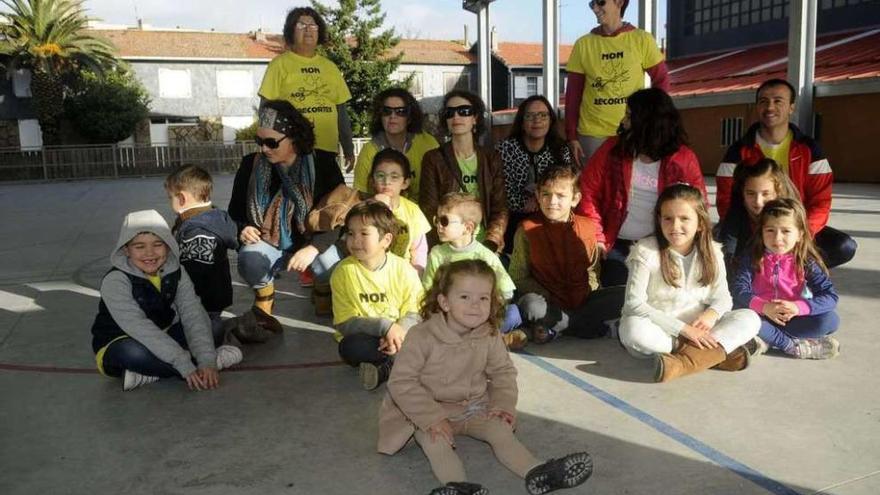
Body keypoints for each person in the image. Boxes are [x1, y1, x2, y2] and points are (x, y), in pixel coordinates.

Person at [377, 259, 594, 495]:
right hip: (425, 410)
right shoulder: (421, 336)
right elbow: (402, 382)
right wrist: (431, 418)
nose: (475, 306)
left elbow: (503, 373)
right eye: (464, 297)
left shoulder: (489, 334)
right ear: (444, 302)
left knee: (500, 431)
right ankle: (458, 487)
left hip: (473, 407)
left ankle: (539, 472)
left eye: (483, 298)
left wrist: (502, 405)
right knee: (435, 441)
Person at [619, 184, 761, 383]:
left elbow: (723, 298)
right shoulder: (645, 251)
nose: (675, 226)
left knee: (750, 318)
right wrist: (684, 331)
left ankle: (681, 364)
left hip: (700, 327)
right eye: (668, 218)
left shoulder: (712, 251)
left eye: (684, 218)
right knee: (634, 332)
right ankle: (715, 355)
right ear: (659, 220)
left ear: (700, 222)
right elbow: (633, 304)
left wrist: (711, 315)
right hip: (661, 329)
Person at [228, 100, 344, 338]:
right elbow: (235, 212)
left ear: (293, 136)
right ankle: (264, 301)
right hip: (268, 242)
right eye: (259, 141)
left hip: (311, 240)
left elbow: (337, 217)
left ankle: (322, 289)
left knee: (330, 262)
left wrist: (313, 248)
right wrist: (243, 228)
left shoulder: (323, 163)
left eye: (271, 142)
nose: (264, 149)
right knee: (249, 259)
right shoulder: (250, 165)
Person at [90, 210, 242, 391]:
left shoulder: (176, 271)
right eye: (139, 247)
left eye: (158, 244)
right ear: (126, 249)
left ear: (169, 246)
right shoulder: (115, 280)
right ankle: (210, 364)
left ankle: (148, 373)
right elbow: (139, 327)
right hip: (121, 342)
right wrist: (184, 364)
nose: (150, 253)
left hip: (164, 335)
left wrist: (205, 359)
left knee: (214, 325)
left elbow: (192, 313)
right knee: (133, 353)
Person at [716, 78, 857, 269]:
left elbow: (821, 202)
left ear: (791, 107)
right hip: (747, 226)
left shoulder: (810, 150)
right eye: (763, 101)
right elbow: (726, 201)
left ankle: (793, 271)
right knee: (719, 247)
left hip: (794, 226)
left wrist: (796, 234)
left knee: (844, 246)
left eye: (778, 101)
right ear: (757, 107)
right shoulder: (738, 151)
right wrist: (760, 234)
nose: (770, 107)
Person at [577, 88, 706, 287]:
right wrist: (598, 236)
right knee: (616, 297)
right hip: (617, 245)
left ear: (647, 122)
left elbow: (698, 207)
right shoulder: (613, 149)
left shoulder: (683, 159)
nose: (623, 121)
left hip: (664, 246)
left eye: (629, 115)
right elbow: (587, 191)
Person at [510, 166, 625, 344]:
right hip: (547, 301)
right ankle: (586, 327)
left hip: (582, 299)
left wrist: (588, 293)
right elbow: (518, 276)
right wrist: (548, 295)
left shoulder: (587, 227)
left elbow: (593, 270)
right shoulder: (526, 229)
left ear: (575, 199)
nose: (552, 201)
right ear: (538, 197)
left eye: (561, 195)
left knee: (624, 295)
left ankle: (556, 327)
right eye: (546, 194)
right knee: (531, 305)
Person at [330, 200, 424, 391]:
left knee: (425, 338)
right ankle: (399, 363)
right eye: (350, 233)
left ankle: (386, 367)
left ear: (386, 240)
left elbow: (415, 312)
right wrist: (384, 327)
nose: (355, 240)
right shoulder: (343, 272)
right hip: (367, 337)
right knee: (349, 348)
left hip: (402, 334)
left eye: (364, 233)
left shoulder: (403, 269)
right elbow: (345, 323)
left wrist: (397, 334)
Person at [564, 0, 669, 167]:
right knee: (591, 189)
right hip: (591, 134)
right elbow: (572, 96)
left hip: (632, 131)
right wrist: (572, 136)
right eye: (592, 4)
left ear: (619, 2)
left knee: (629, 190)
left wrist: (652, 120)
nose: (595, 8)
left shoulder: (642, 39)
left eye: (600, 2)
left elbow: (661, 80)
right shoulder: (583, 44)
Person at [731, 199, 840, 359]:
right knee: (737, 314)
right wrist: (764, 307)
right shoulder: (752, 257)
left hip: (792, 319)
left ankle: (765, 340)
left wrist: (798, 307)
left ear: (800, 234)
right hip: (759, 316)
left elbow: (830, 297)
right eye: (770, 230)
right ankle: (791, 346)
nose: (777, 238)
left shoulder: (805, 261)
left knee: (830, 320)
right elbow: (739, 289)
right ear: (761, 232)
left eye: (786, 231)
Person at [259, 6, 355, 175]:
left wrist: (348, 148)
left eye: (313, 25)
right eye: (302, 25)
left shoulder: (330, 67)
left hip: (326, 152)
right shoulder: (279, 65)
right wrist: (268, 145)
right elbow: (266, 111)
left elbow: (342, 113)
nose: (309, 29)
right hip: (293, 153)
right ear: (290, 32)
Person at [422, 193, 525, 349]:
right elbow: (428, 290)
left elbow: (506, 292)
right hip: (449, 313)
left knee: (513, 313)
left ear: (468, 227)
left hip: (480, 314)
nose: (438, 226)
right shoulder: (437, 253)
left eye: (444, 221)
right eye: (437, 220)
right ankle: (493, 340)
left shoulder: (485, 256)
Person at [164, 165, 249, 340]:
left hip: (201, 299)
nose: (169, 201)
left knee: (204, 329)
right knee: (212, 319)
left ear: (181, 198)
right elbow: (234, 231)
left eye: (170, 197)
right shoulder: (217, 216)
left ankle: (219, 344)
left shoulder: (196, 230)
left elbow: (194, 269)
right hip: (216, 294)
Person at [420, 90, 508, 253]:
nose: (456, 117)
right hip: (449, 245)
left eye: (464, 111)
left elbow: (499, 206)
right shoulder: (433, 158)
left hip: (485, 244)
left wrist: (492, 241)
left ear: (475, 118)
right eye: (449, 112)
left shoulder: (491, 158)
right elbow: (429, 208)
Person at [497, 95, 573, 254]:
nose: (537, 120)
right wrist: (525, 202)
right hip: (515, 217)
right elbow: (502, 191)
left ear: (551, 120)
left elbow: (566, 188)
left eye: (543, 115)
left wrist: (539, 201)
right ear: (522, 121)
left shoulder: (561, 149)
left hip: (552, 214)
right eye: (530, 116)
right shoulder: (506, 149)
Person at [352, 87, 440, 201]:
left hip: (423, 212)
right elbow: (361, 195)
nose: (393, 116)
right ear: (380, 117)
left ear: (409, 117)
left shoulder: (427, 143)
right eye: (386, 111)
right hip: (384, 212)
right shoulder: (369, 150)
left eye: (401, 112)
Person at [715, 158, 799, 270]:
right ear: (742, 192)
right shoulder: (736, 214)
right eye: (750, 193)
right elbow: (728, 250)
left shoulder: (790, 215)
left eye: (765, 194)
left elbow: (805, 258)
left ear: (778, 191)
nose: (758, 201)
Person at [370, 149, 432, 274]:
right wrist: (380, 208)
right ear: (372, 180)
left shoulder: (413, 210)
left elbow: (419, 248)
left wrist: (417, 271)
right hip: (374, 271)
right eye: (380, 175)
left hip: (405, 272)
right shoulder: (365, 210)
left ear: (405, 183)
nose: (386, 182)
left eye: (394, 177)